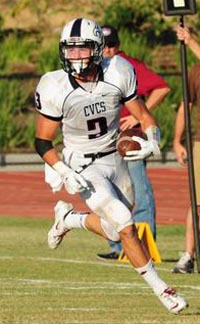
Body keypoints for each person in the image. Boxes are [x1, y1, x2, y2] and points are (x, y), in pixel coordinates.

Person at [34, 17, 188, 313]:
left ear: (99, 49)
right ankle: (163, 290)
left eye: (83, 49)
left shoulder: (118, 71)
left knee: (116, 230)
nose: (76, 56)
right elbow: (42, 142)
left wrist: (153, 140)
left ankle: (69, 219)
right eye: (71, 49)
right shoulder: (54, 85)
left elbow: (144, 116)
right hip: (82, 164)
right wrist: (64, 172)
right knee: (125, 225)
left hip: (114, 156)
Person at [97, 25, 170, 260]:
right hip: (107, 139)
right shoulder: (97, 67)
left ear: (117, 46)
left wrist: (138, 114)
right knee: (111, 191)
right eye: (103, 46)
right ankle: (118, 246)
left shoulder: (130, 65)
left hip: (132, 139)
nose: (107, 50)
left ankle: (145, 244)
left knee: (139, 188)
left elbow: (162, 87)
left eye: (111, 45)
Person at [172, 25, 200, 274]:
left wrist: (190, 41)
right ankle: (188, 255)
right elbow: (185, 106)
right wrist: (177, 140)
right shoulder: (195, 71)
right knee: (197, 203)